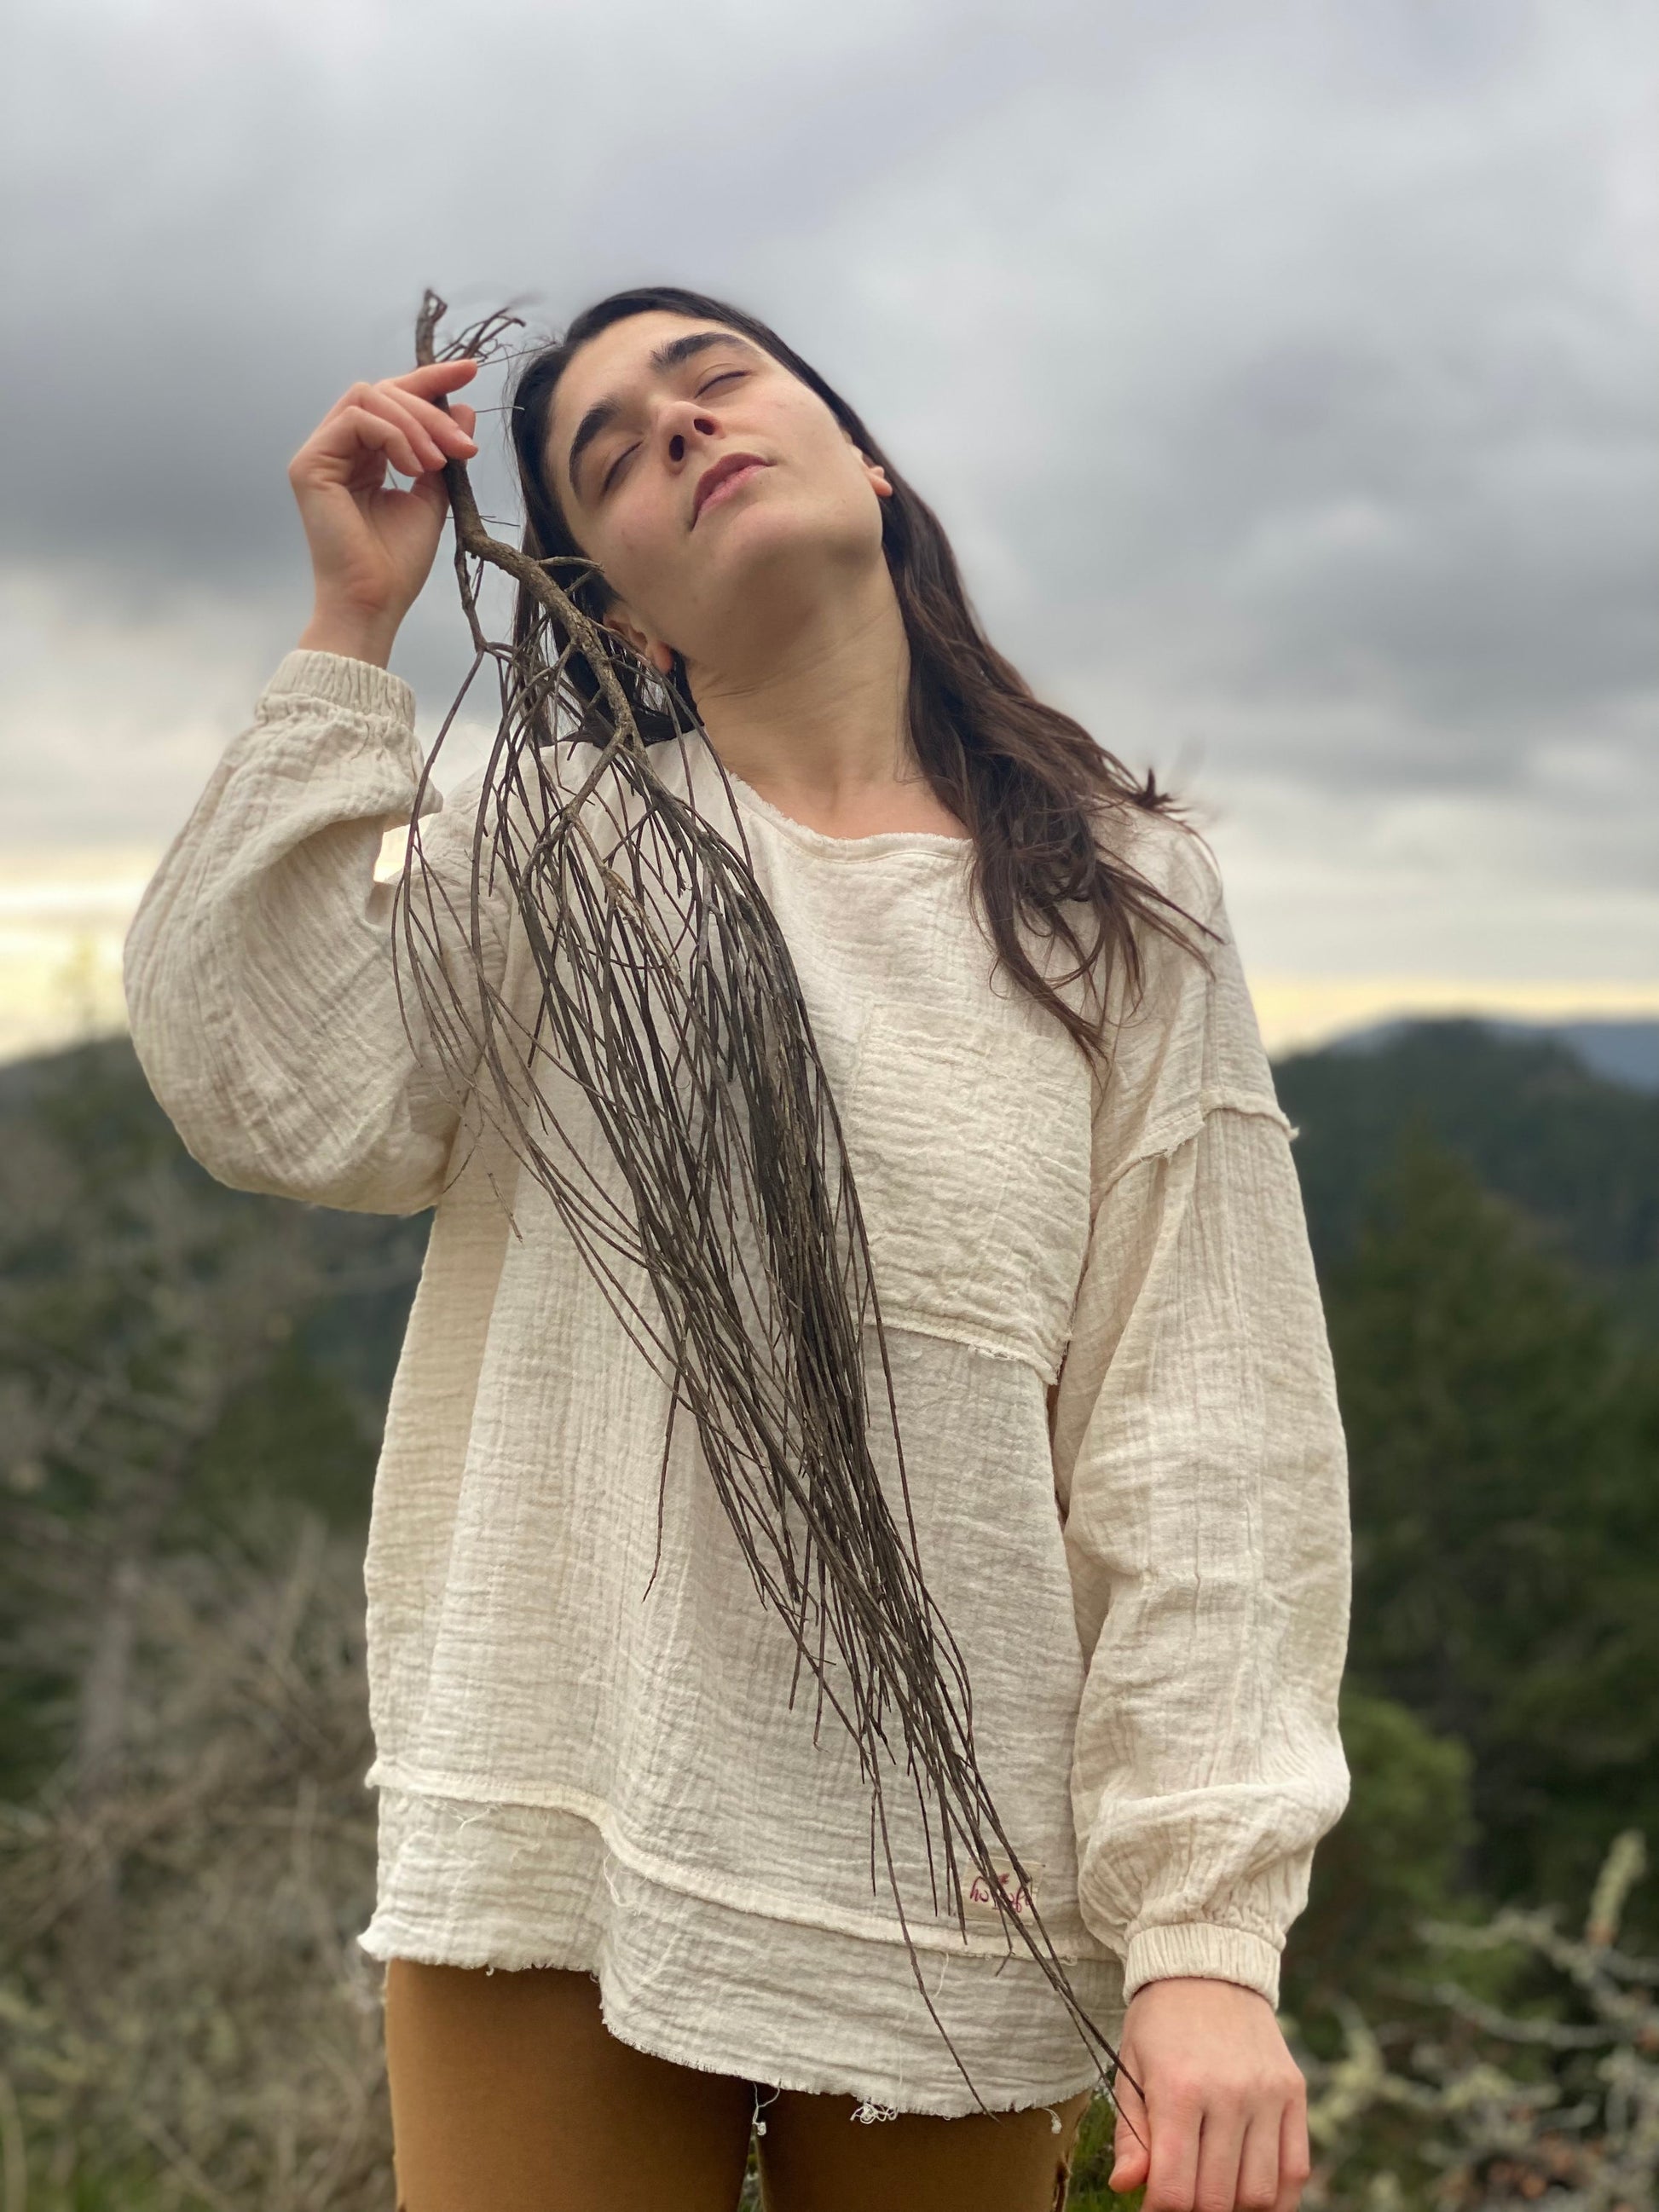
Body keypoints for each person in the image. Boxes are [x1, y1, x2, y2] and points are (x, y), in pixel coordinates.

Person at [123, 286, 1353, 2212]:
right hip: (561, 1809)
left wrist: (1204, 1931)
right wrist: (349, 624)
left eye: (712, 380)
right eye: (607, 452)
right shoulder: (558, 850)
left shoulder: (1123, 903)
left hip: (964, 1870)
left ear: (860, 456)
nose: (677, 428)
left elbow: (1202, 1431)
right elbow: (267, 1079)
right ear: (612, 605)